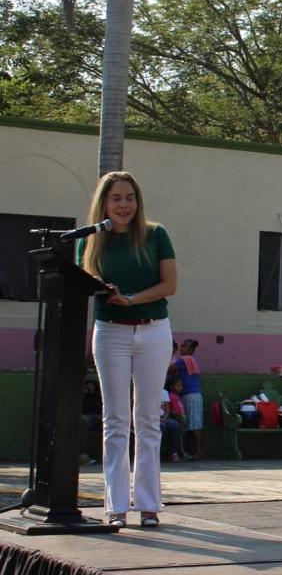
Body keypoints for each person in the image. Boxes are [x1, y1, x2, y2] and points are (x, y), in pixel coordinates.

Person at [76, 171, 177, 529]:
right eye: (116, 198)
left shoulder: (156, 234)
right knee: (115, 420)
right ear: (103, 202)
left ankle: (149, 505)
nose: (124, 205)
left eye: (129, 197)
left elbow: (170, 285)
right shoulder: (89, 240)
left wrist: (131, 298)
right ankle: (116, 505)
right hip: (110, 333)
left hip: (153, 332)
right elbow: (82, 283)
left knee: (148, 419)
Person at [173, 338, 204, 459]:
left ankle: (199, 451)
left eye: (184, 346)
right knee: (193, 423)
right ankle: (195, 451)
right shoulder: (190, 360)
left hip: (191, 395)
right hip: (193, 395)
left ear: (190, 349)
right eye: (181, 346)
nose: (181, 348)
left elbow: (171, 369)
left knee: (195, 424)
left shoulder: (184, 359)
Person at [162, 377, 186, 462]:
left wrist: (164, 418)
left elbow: (167, 410)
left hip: (163, 418)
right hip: (153, 419)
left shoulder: (164, 393)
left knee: (174, 425)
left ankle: (174, 453)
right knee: (161, 427)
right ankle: (158, 453)